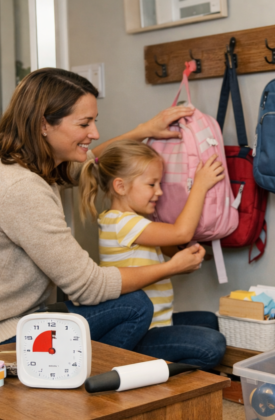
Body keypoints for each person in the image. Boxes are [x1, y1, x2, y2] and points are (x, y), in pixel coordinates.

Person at [0, 68, 221, 368]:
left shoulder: (5, 161)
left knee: (181, 322)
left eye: (94, 122)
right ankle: (84, 390)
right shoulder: (20, 187)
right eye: (84, 124)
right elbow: (89, 286)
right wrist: (171, 267)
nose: (94, 133)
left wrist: (143, 131)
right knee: (135, 306)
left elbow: (85, 164)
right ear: (44, 124)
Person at [78, 140, 226, 369]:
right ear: (120, 187)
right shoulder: (121, 223)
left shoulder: (130, 223)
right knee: (212, 345)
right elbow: (181, 233)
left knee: (209, 321)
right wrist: (200, 185)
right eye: (151, 184)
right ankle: (153, 372)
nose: (159, 192)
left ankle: (166, 369)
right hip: (142, 331)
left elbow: (171, 244)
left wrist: (191, 254)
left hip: (160, 321)